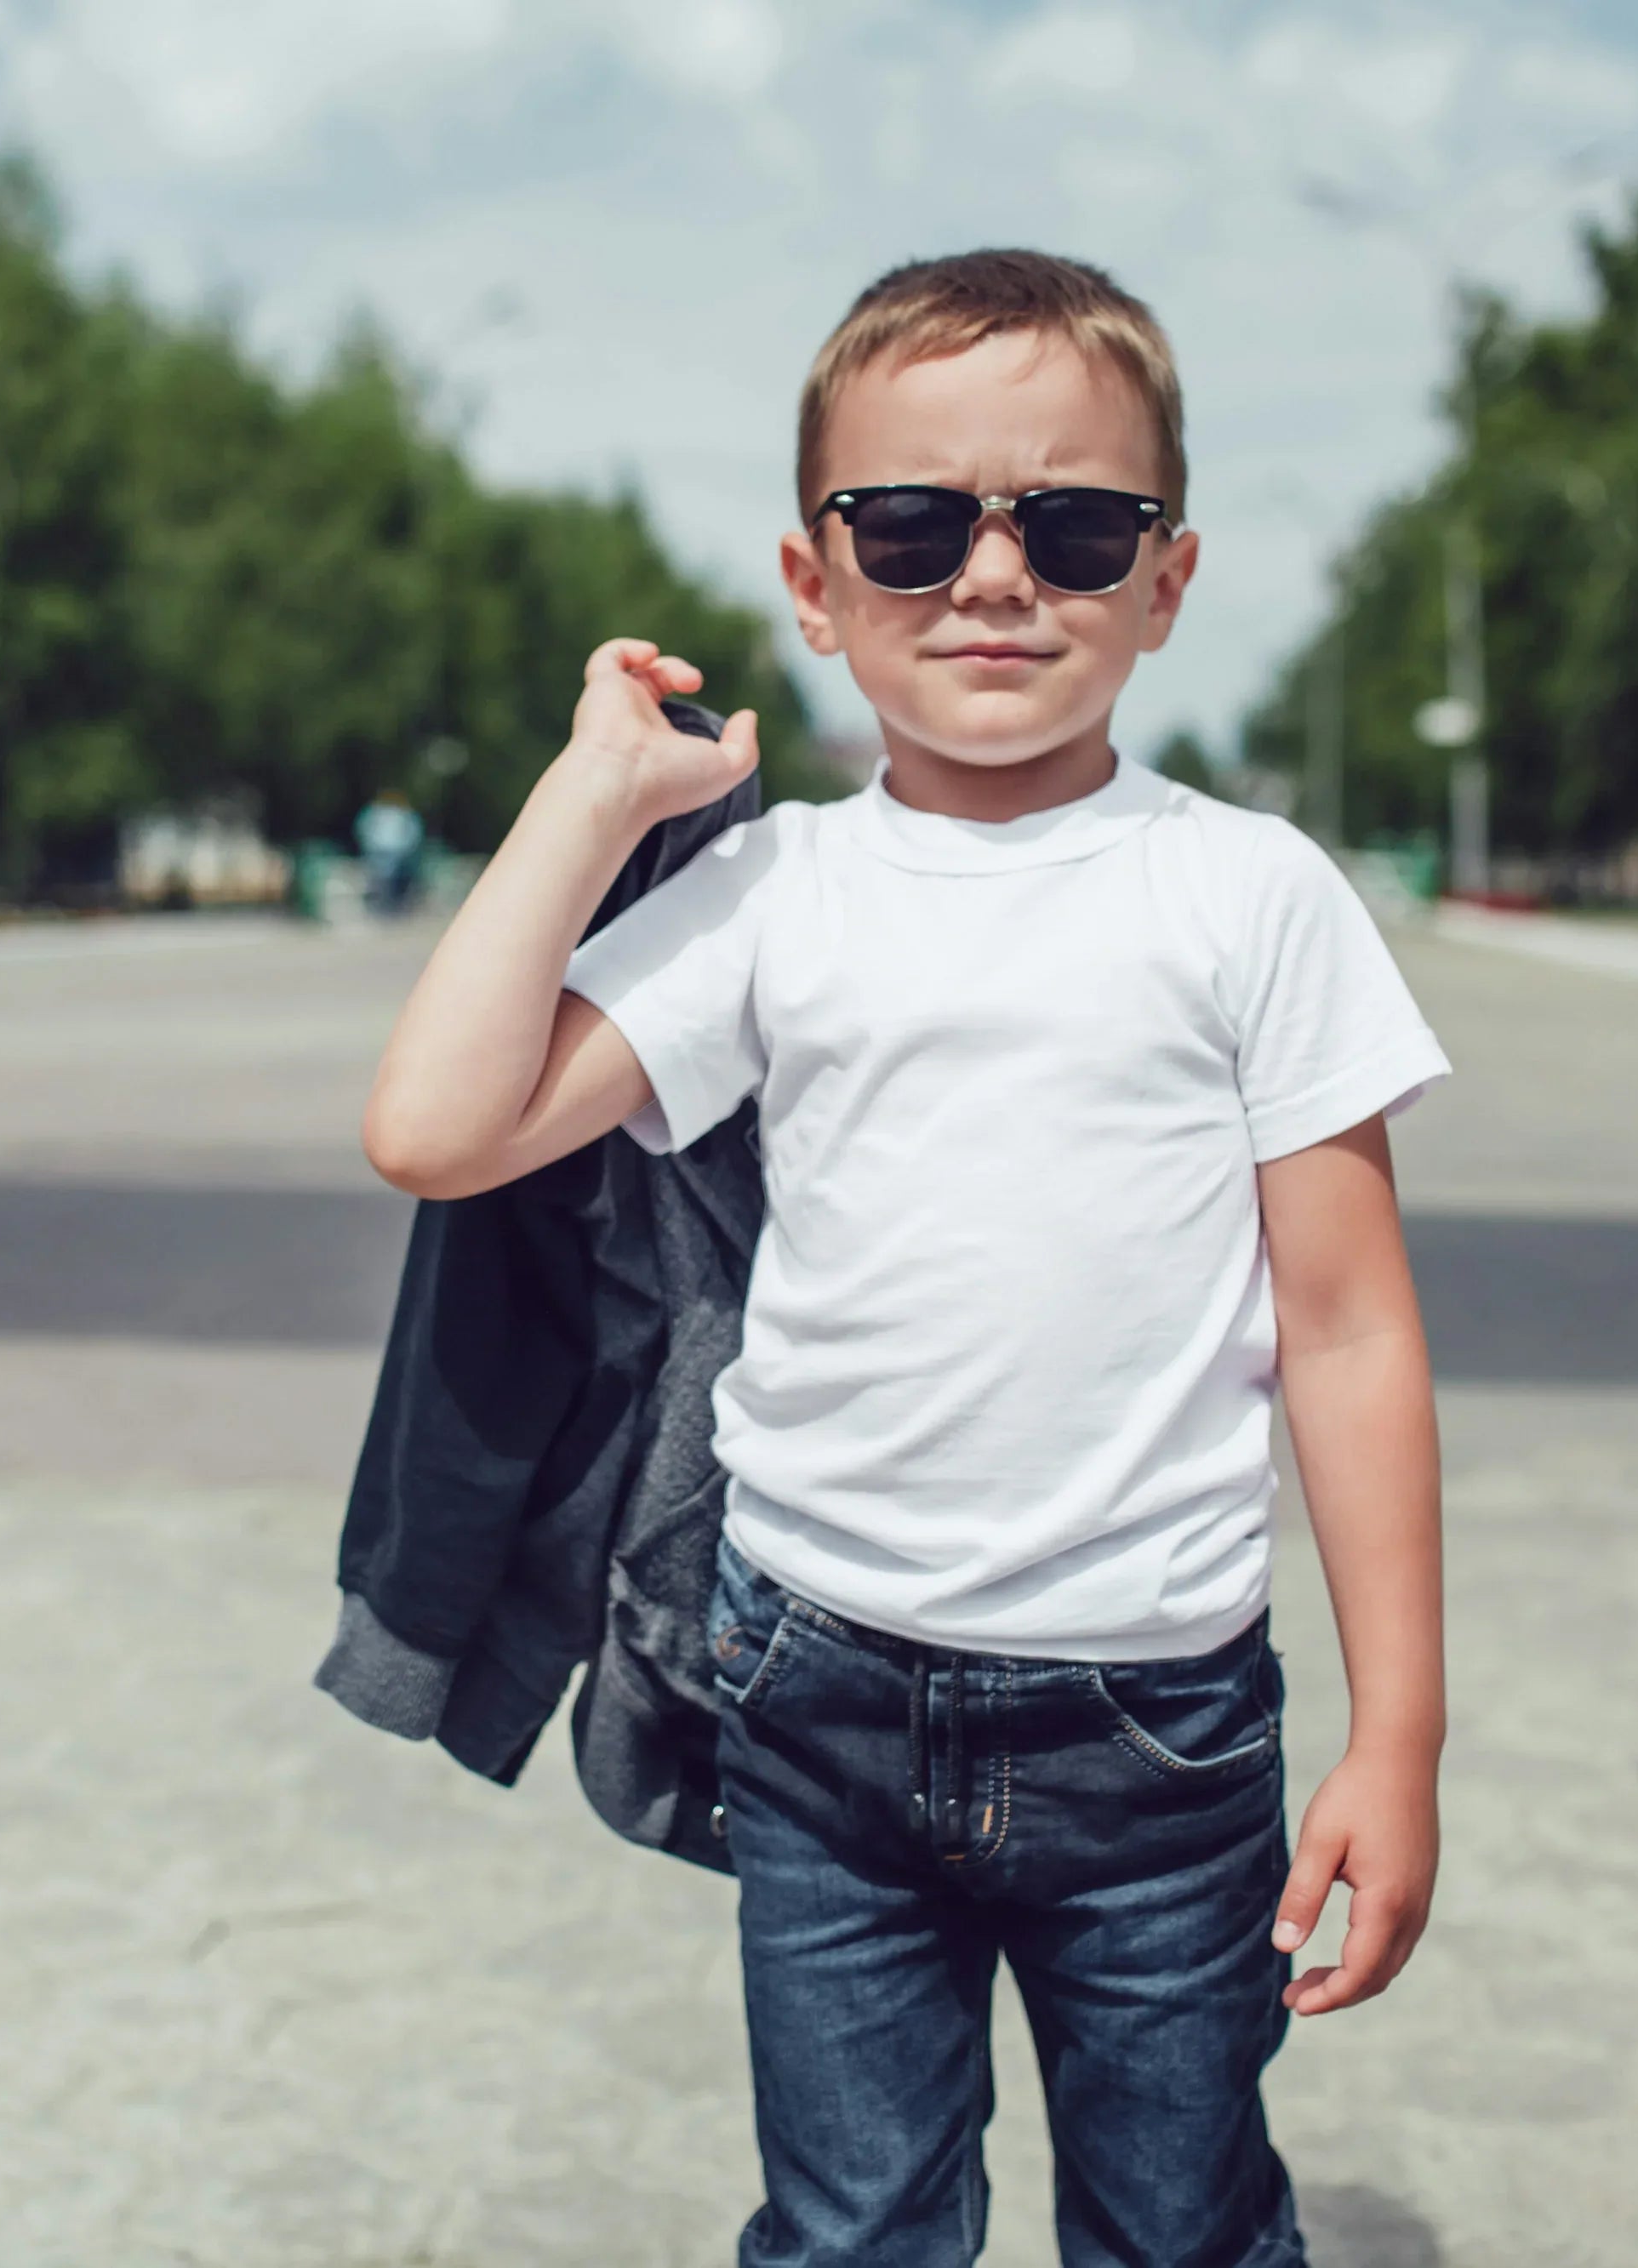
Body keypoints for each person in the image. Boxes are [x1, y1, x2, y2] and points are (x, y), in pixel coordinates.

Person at [361, 249, 1448, 2268]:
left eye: (1077, 521)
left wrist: (1400, 1734)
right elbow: (435, 1124)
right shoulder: (775, 895)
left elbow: (1352, 1326)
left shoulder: (1250, 893)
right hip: (818, 1690)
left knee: (1181, 2224)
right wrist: (589, 796)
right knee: (854, 2229)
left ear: (1167, 577)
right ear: (815, 577)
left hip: (1159, 1718)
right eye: (917, 521)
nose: (995, 572)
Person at [355, 789, 427, 918]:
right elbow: (414, 833)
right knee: (383, 879)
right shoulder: (399, 813)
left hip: (388, 851)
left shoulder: (379, 812)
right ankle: (386, 908)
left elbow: (363, 829)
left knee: (386, 879)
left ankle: (387, 907)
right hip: (385, 851)